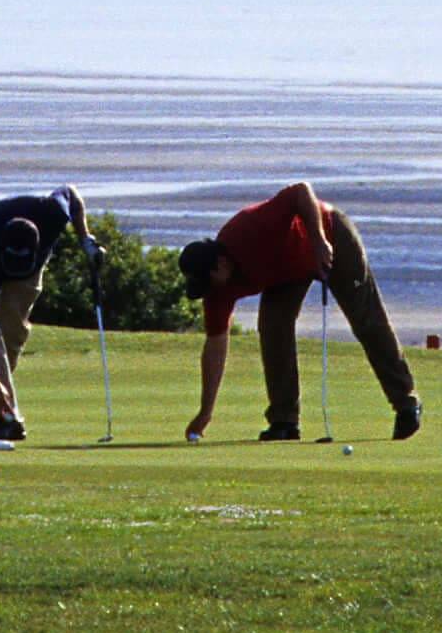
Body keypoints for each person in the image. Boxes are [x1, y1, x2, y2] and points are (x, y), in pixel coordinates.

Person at [175, 182, 424, 442]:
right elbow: (215, 346)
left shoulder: (250, 228)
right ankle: (284, 420)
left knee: (366, 319)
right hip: (286, 270)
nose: (209, 290)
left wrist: (318, 241)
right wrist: (205, 412)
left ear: (221, 263)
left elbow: (300, 191)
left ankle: (406, 402)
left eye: (208, 280)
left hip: (329, 235)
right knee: (273, 328)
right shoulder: (215, 288)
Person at [0, 185, 89, 443]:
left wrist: (86, 240)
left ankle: (3, 403)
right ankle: (6, 416)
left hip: (31, 265)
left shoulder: (52, 215)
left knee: (13, 331)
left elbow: (70, 192)